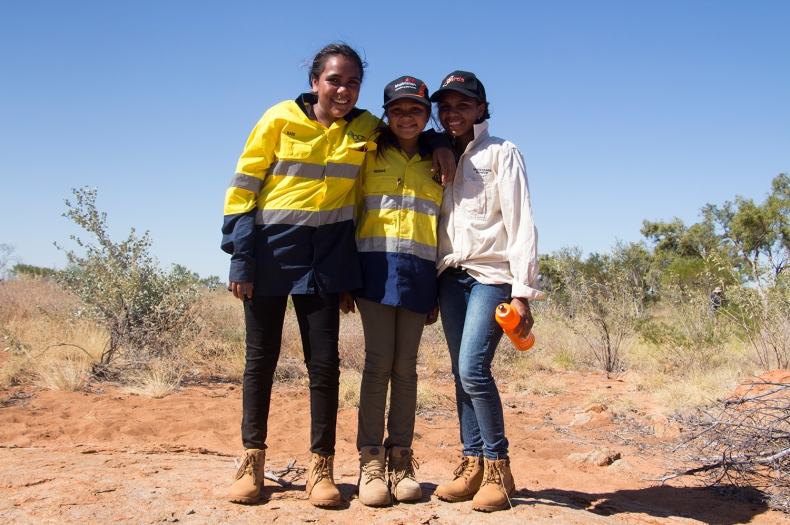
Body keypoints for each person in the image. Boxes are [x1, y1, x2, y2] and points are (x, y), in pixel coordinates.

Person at [220, 43, 455, 507]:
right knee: (259, 362)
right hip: (270, 254)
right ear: (315, 81)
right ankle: (253, 462)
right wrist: (240, 257)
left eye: (352, 82)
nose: (343, 90)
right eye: (334, 80)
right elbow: (244, 186)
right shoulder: (278, 119)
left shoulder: (365, 127)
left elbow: (407, 131)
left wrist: (439, 141)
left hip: (326, 262)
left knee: (324, 366)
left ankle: (320, 469)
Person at [429, 71, 545, 512]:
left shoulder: (502, 152)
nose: (452, 113)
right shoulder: (435, 154)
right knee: (461, 373)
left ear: (481, 109)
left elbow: (521, 222)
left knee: (473, 368)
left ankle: (499, 467)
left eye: (463, 104)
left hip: (491, 276)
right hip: (449, 276)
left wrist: (522, 292)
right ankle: (471, 463)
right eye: (446, 106)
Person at [339, 76, 442, 507]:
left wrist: (438, 285)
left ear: (427, 114)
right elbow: (347, 209)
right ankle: (371, 463)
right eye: (397, 110)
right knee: (378, 363)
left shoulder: (441, 161)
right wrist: (345, 276)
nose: (407, 117)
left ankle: (402, 459)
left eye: (416, 110)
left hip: (419, 275)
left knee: (408, 368)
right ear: (386, 115)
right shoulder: (368, 153)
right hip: (374, 272)